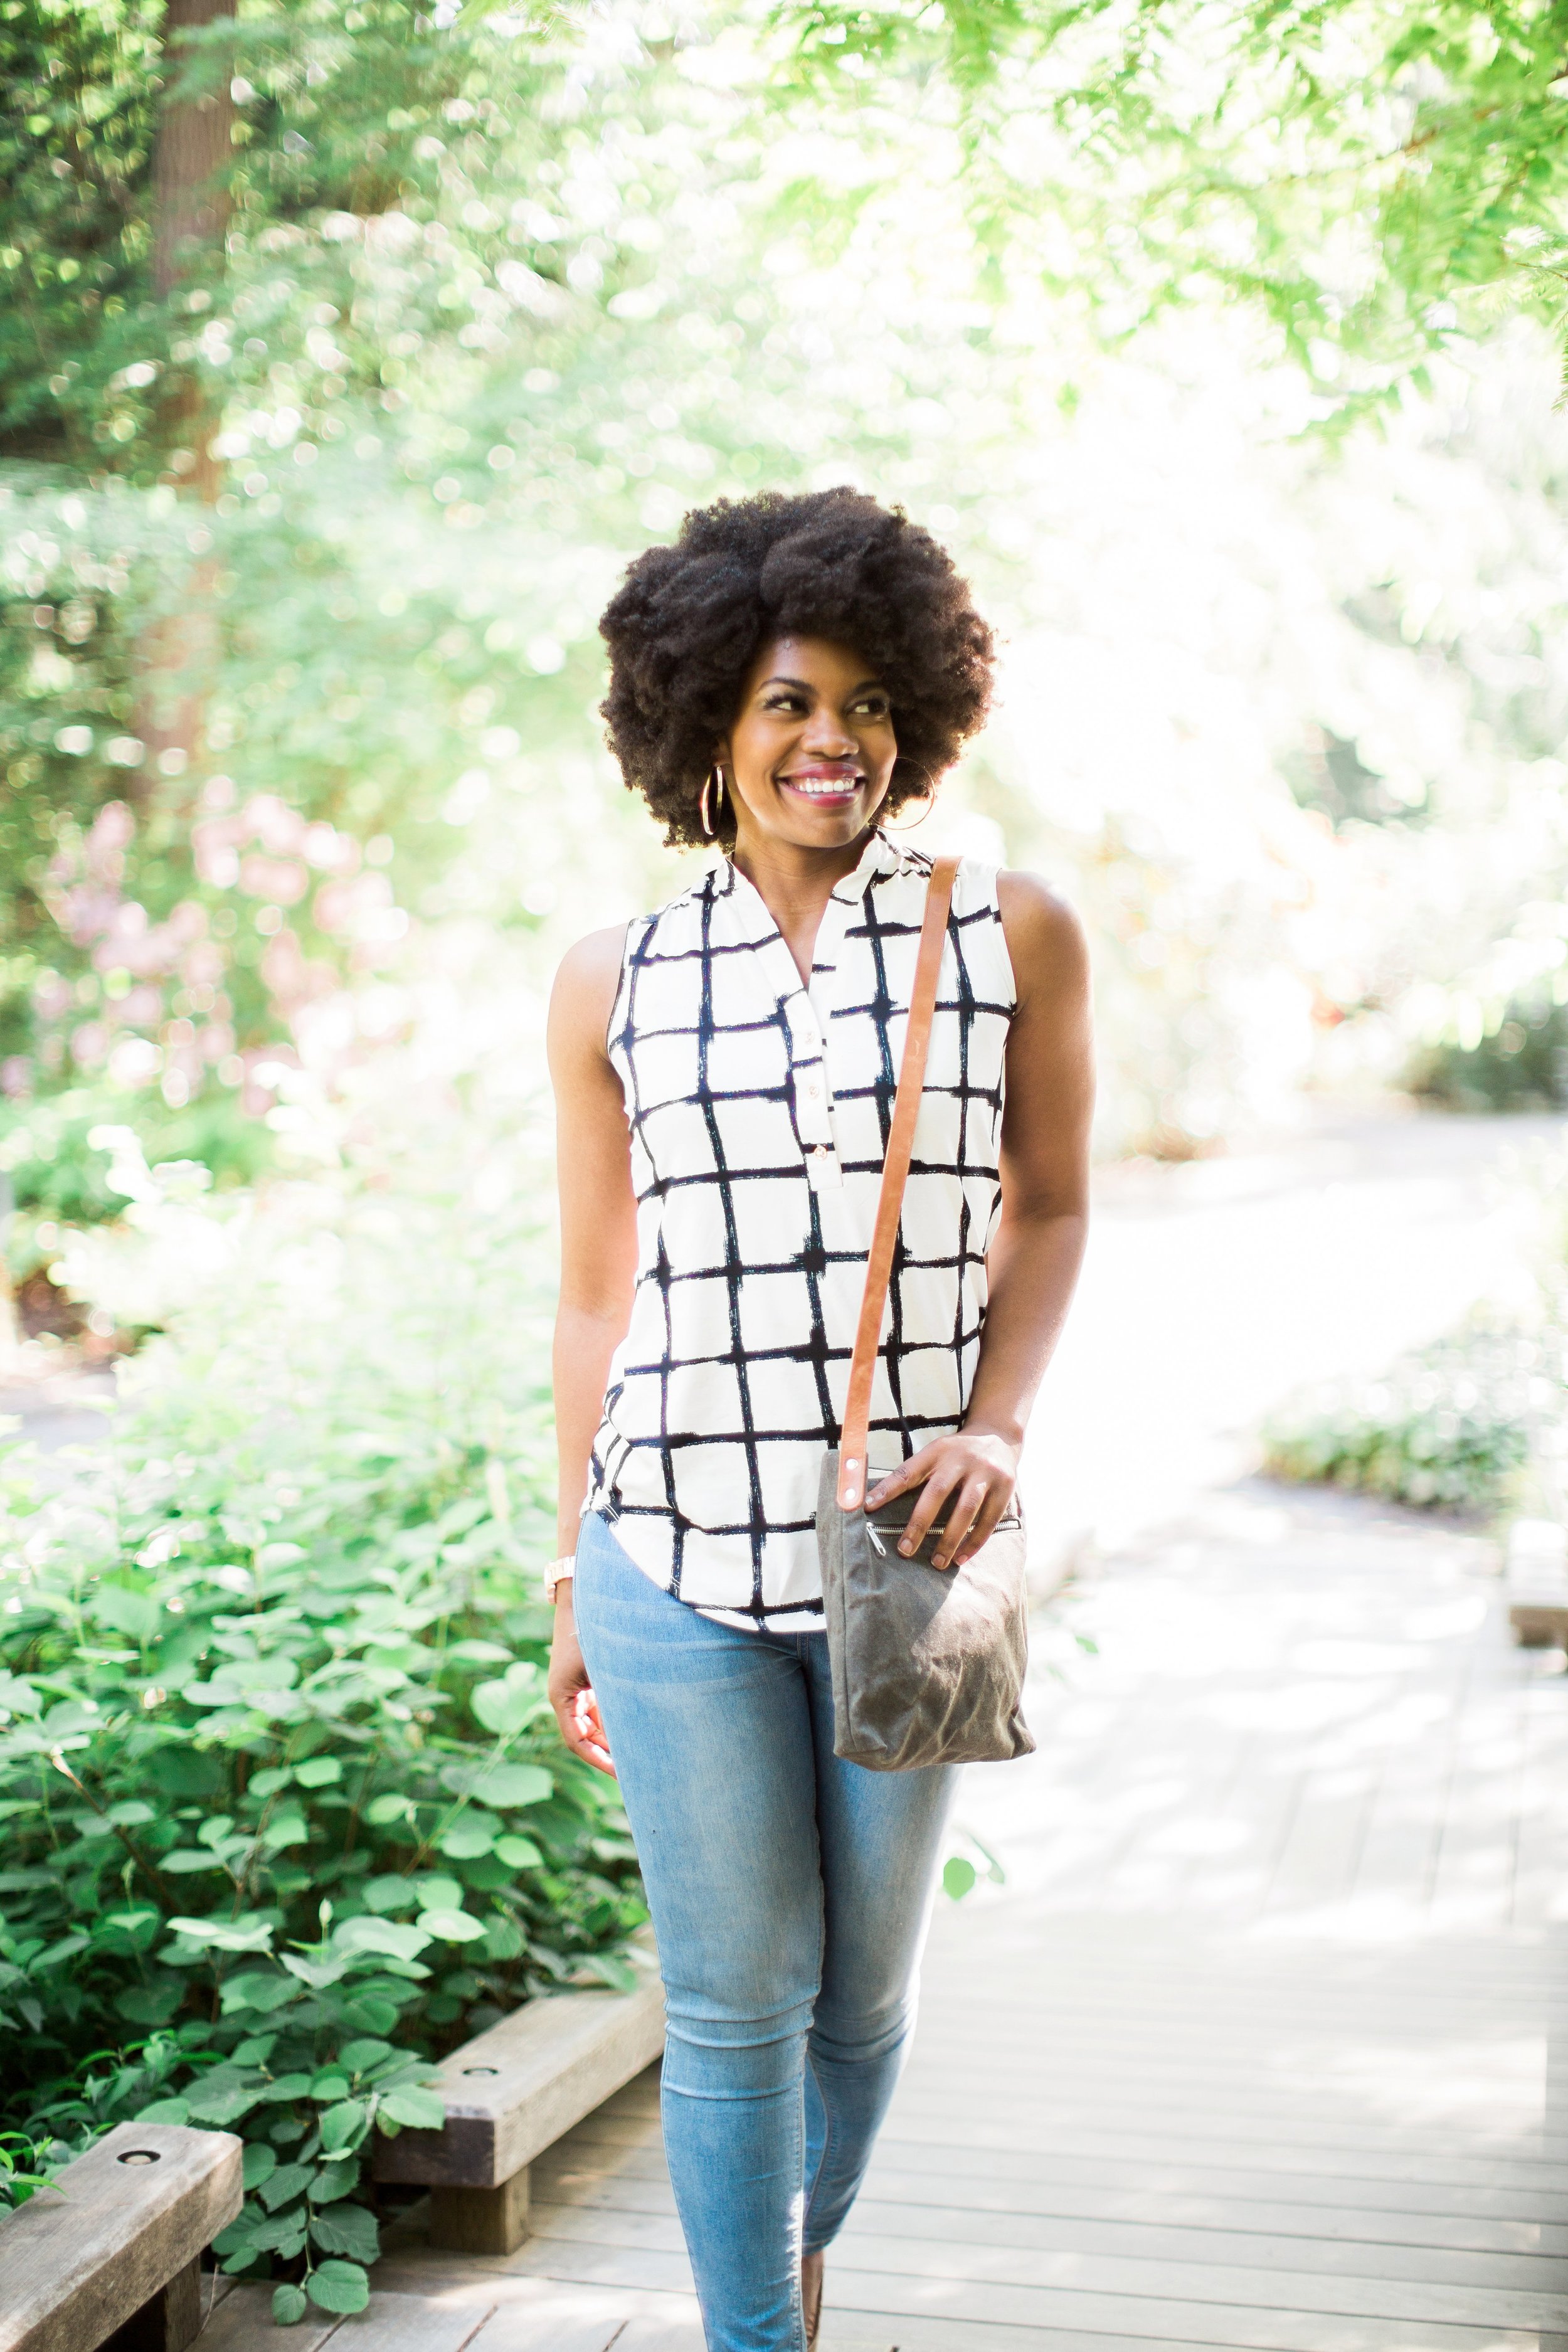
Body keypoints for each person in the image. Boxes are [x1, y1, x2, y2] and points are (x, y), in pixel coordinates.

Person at [546, 487, 1093, 2352]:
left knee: (858, 2001)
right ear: (706, 716)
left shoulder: (1005, 927)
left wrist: (1001, 1428)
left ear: (915, 721)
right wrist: (566, 1572)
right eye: (786, 702)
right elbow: (596, 1294)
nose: (828, 741)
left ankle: (796, 2239)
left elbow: (1054, 1203)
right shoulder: (612, 980)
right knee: (728, 2008)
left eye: (865, 705)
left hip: (902, 1558)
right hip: (667, 1560)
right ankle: (755, 2335)